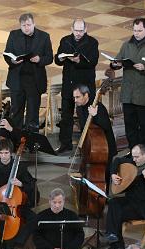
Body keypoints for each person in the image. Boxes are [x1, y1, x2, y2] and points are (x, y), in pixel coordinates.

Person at [108, 18, 145, 149]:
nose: (136, 33)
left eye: (139, 30)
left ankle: (144, 153)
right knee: (130, 125)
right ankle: (133, 152)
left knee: (144, 127)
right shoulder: (126, 45)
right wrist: (115, 64)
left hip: (144, 94)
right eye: (134, 30)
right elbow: (118, 60)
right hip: (128, 93)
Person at [104, 144, 145, 249]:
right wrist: (113, 174)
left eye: (137, 157)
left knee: (117, 212)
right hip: (131, 200)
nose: (134, 159)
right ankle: (114, 239)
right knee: (112, 203)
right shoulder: (133, 160)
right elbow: (116, 160)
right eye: (133, 156)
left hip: (143, 207)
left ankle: (115, 243)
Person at [54, 18, 99, 154]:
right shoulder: (65, 40)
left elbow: (93, 62)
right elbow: (57, 59)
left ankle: (86, 144)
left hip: (84, 86)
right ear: (71, 29)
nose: (78, 33)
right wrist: (60, 58)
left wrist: (79, 61)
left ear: (85, 30)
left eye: (81, 30)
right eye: (76, 30)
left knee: (84, 116)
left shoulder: (92, 42)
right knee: (66, 116)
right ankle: (65, 144)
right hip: (68, 84)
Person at [4, 13, 53, 132]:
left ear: (33, 24)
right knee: (16, 113)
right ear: (20, 25)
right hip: (17, 79)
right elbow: (7, 53)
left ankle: (31, 144)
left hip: (34, 81)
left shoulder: (44, 36)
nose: (26, 27)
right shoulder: (13, 35)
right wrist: (12, 61)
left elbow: (50, 57)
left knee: (32, 115)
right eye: (24, 25)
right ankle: (16, 141)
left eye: (29, 25)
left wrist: (39, 59)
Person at [73, 84, 118, 185]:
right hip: (91, 146)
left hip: (104, 147)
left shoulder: (98, 107)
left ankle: (103, 197)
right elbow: (84, 128)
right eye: (74, 97)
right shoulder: (79, 108)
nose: (75, 100)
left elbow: (106, 126)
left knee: (103, 176)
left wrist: (95, 115)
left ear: (86, 95)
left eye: (77, 97)